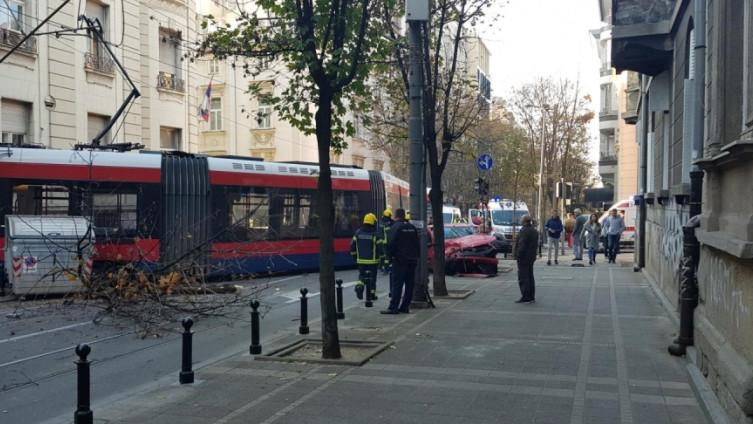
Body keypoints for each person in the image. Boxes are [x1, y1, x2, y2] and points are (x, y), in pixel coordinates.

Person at [383, 208, 419, 314]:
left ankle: (393, 307)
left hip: (399, 260)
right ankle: (405, 307)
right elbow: (417, 243)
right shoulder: (412, 227)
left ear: (396, 216)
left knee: (397, 284)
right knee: (409, 285)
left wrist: (389, 257)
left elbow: (390, 244)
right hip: (412, 260)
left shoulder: (395, 227)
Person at [350, 213, 382, 304]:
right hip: (373, 261)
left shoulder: (358, 233)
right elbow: (380, 247)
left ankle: (359, 287)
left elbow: (352, 246)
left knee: (362, 276)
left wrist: (355, 257)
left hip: (361, 260)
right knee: (372, 278)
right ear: (373, 222)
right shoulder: (375, 234)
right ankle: (372, 295)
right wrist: (384, 258)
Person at [513, 215, 538, 303]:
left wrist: (517, 255)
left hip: (523, 257)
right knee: (530, 276)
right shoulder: (534, 230)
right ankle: (531, 295)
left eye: (521, 219)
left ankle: (526, 295)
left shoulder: (524, 231)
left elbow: (522, 245)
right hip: (531, 257)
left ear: (524, 221)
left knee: (523, 277)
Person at [378, 209, 393, 275]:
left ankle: (381, 266)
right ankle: (386, 269)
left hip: (381, 241)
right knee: (387, 257)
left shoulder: (380, 222)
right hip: (387, 242)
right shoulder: (389, 222)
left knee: (382, 255)